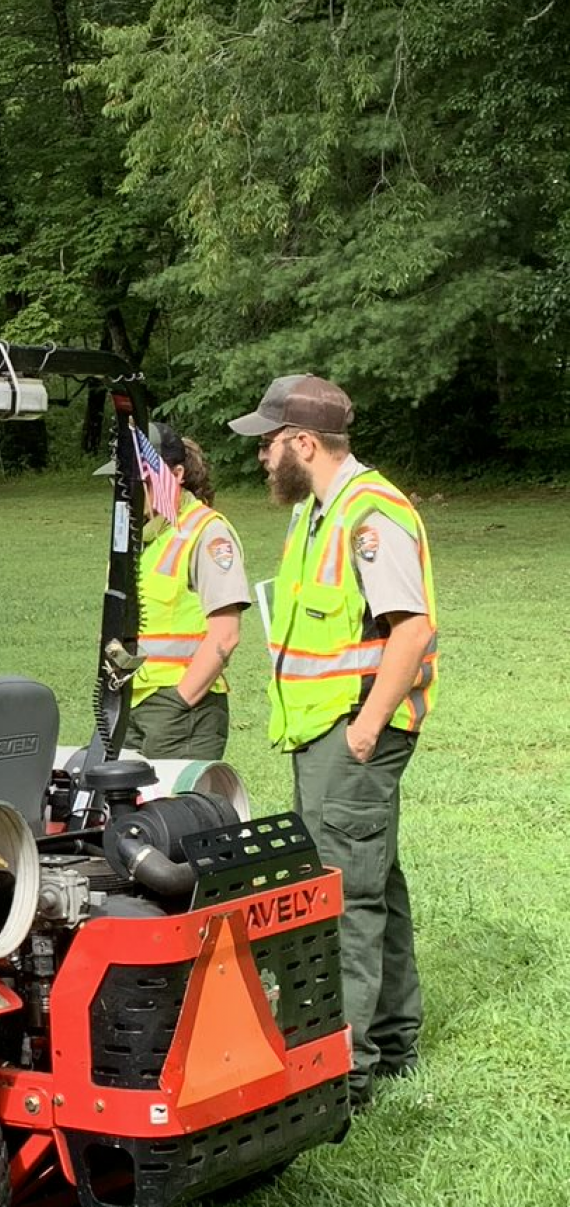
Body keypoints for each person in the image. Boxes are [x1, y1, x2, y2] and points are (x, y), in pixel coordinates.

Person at [229, 374, 438, 1112]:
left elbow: (410, 630)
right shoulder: (316, 514)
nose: (260, 456)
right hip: (322, 732)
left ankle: (344, 1069)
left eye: (269, 442)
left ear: (305, 443)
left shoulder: (368, 515)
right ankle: (394, 1038)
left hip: (350, 734)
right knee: (373, 875)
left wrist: (366, 728)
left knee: (340, 895)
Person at [103, 423, 250, 760]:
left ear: (177, 473)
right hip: (130, 703)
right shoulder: (139, 536)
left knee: (173, 811)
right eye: (119, 479)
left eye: (140, 478)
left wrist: (179, 701)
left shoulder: (207, 533)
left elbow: (225, 635)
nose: (127, 489)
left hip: (182, 712)